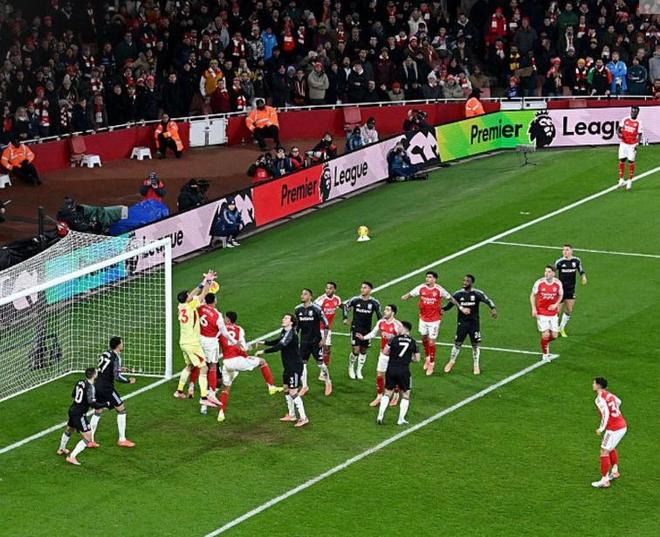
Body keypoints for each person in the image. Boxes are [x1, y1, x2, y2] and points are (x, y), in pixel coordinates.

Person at [216, 311, 283, 422]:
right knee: (262, 362)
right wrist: (247, 352)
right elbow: (243, 347)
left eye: (224, 318)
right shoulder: (239, 329)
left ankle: (221, 413)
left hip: (227, 362)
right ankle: (271, 387)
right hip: (238, 360)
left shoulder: (221, 330)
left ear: (227, 320)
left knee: (226, 388)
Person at [402, 271, 467, 375]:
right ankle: (427, 357)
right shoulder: (421, 288)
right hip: (423, 318)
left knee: (432, 342)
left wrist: (461, 307)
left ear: (434, 279)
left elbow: (450, 298)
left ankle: (432, 364)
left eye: (430, 277)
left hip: (434, 320)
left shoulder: (439, 290)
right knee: (424, 338)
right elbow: (411, 294)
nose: (427, 279)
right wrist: (405, 296)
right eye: (427, 277)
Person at [172, 270, 221, 408]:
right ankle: (204, 397)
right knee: (204, 368)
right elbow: (204, 294)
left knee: (189, 366)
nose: (191, 295)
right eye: (189, 295)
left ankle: (179, 391)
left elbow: (195, 293)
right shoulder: (190, 306)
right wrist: (209, 281)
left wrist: (203, 282)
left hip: (183, 342)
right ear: (187, 298)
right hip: (192, 344)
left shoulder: (181, 306)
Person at [257, 313, 309, 427]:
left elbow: (279, 346)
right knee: (286, 388)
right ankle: (291, 415)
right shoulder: (284, 332)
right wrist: (264, 342)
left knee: (293, 392)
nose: (283, 319)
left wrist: (263, 351)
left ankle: (303, 418)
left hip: (295, 367)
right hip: (288, 366)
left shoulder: (291, 334)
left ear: (291, 322)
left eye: (286, 318)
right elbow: (277, 341)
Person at [442, 275, 497, 375]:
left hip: (474, 323)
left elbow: (487, 300)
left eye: (467, 281)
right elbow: (450, 304)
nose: (464, 282)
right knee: (457, 343)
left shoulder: (477, 293)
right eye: (464, 280)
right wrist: (443, 309)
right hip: (462, 323)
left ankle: (476, 365)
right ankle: (451, 361)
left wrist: (493, 308)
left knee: (475, 345)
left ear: (471, 283)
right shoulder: (458, 294)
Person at [88, 337, 136, 448]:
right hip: (107, 388)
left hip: (97, 385)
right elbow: (117, 377)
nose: (123, 345)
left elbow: (104, 368)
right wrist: (128, 381)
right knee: (121, 410)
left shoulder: (106, 353)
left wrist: (118, 368)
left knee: (98, 411)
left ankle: (89, 440)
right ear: (118, 345)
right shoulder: (116, 357)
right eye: (122, 343)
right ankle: (122, 439)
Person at [57, 367, 109, 466]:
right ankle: (72, 456)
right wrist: (105, 404)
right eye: (96, 372)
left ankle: (61, 448)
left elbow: (74, 395)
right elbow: (92, 403)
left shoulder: (80, 382)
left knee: (69, 429)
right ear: (94, 375)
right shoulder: (90, 387)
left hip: (72, 409)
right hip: (79, 414)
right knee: (88, 438)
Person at [195, 293, 237, 414]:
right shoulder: (217, 316)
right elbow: (225, 333)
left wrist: (206, 285)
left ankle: (201, 395)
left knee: (203, 368)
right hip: (211, 343)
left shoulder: (200, 307)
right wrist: (235, 341)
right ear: (215, 301)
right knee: (212, 367)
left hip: (199, 339)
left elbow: (198, 298)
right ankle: (211, 394)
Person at [356, 304, 403, 407]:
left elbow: (403, 339)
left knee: (394, 376)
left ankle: (396, 395)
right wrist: (364, 338)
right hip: (383, 354)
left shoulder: (397, 325)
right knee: (379, 376)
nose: (384, 311)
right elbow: (373, 333)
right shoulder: (380, 322)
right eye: (385, 309)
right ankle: (379, 396)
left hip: (394, 356)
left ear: (393, 313)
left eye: (387, 310)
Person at [376, 321, 420, 426]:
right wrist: (408, 358)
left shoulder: (393, 339)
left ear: (404, 328)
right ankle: (401, 419)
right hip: (404, 370)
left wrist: (394, 355)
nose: (398, 328)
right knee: (405, 395)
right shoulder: (413, 342)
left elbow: (385, 352)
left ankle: (380, 415)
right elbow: (417, 359)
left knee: (387, 393)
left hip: (391, 369)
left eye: (399, 327)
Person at [294, 289, 332, 397]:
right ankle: (304, 386)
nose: (302, 296)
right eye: (302, 294)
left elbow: (326, 324)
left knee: (320, 363)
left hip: (316, 341)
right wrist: (295, 340)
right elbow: (297, 327)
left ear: (310, 296)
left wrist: (324, 339)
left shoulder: (316, 308)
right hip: (304, 341)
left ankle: (328, 381)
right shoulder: (298, 309)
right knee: (302, 363)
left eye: (305, 294)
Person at [591, 377, 627, 488]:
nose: (593, 385)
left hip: (614, 429)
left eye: (594, 383)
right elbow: (619, 401)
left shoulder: (599, 399)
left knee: (603, 451)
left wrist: (601, 428)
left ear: (598, 386)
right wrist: (615, 413)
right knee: (611, 448)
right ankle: (615, 471)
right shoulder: (609, 394)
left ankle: (604, 480)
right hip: (622, 425)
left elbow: (605, 413)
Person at [343, 282, 382, 380]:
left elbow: (379, 316)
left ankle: (359, 370)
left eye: (365, 288)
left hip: (367, 329)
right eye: (362, 287)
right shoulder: (355, 300)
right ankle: (351, 367)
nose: (362, 289)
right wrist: (345, 318)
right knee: (355, 350)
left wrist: (381, 327)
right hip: (356, 328)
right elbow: (345, 307)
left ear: (370, 290)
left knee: (363, 350)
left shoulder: (374, 302)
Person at [530, 265, 563, 360]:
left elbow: (561, 295)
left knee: (555, 336)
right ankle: (545, 354)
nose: (546, 273)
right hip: (542, 313)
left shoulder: (558, 283)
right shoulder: (539, 283)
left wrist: (556, 304)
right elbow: (532, 295)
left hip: (553, 313)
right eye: (545, 271)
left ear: (553, 273)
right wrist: (533, 308)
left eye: (549, 272)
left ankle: (545, 343)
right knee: (545, 334)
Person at [555, 245, 587, 337]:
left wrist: (583, 277)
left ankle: (561, 328)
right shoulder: (559, 262)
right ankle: (554, 328)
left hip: (571, 289)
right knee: (557, 311)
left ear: (571, 251)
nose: (564, 252)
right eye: (563, 250)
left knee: (569, 309)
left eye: (567, 250)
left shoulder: (576, 261)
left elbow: (581, 270)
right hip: (560, 290)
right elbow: (552, 272)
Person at [314, 282, 342, 371]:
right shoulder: (320, 300)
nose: (328, 290)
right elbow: (313, 311)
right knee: (316, 349)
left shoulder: (337, 299)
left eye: (330, 288)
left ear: (334, 290)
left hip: (327, 328)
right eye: (327, 288)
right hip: (318, 328)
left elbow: (342, 305)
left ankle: (323, 371)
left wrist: (346, 314)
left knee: (327, 350)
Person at [616, 106, 643, 191]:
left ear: (637, 113)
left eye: (635, 111)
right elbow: (618, 129)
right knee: (622, 160)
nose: (633, 113)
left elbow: (640, 134)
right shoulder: (625, 119)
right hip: (623, 143)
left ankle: (630, 182)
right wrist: (618, 134)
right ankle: (621, 180)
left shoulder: (639, 123)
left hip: (632, 145)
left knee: (631, 162)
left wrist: (637, 144)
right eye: (632, 111)